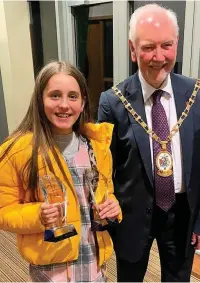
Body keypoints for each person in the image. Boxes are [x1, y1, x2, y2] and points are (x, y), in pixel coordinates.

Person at [98, 3, 200, 282]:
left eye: (166, 45)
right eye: (147, 47)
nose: (158, 57)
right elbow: (103, 170)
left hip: (182, 215)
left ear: (176, 44)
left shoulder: (195, 94)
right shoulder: (113, 102)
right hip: (132, 216)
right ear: (133, 49)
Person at [0, 61, 122, 282]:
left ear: (83, 102)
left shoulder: (96, 147)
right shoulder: (17, 151)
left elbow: (106, 193)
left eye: (73, 96)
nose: (64, 105)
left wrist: (113, 206)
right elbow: (3, 210)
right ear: (40, 100)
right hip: (50, 270)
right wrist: (37, 214)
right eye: (55, 95)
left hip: (93, 263)